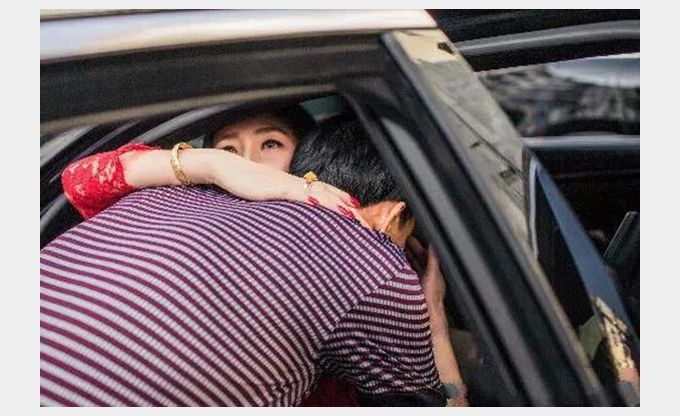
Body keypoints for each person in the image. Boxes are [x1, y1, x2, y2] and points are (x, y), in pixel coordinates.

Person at [41, 117, 467, 406]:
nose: (248, 161)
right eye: (229, 150)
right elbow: (441, 404)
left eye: (270, 144)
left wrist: (211, 167)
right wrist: (432, 313)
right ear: (392, 215)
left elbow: (76, 178)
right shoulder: (375, 265)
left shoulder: (170, 190)